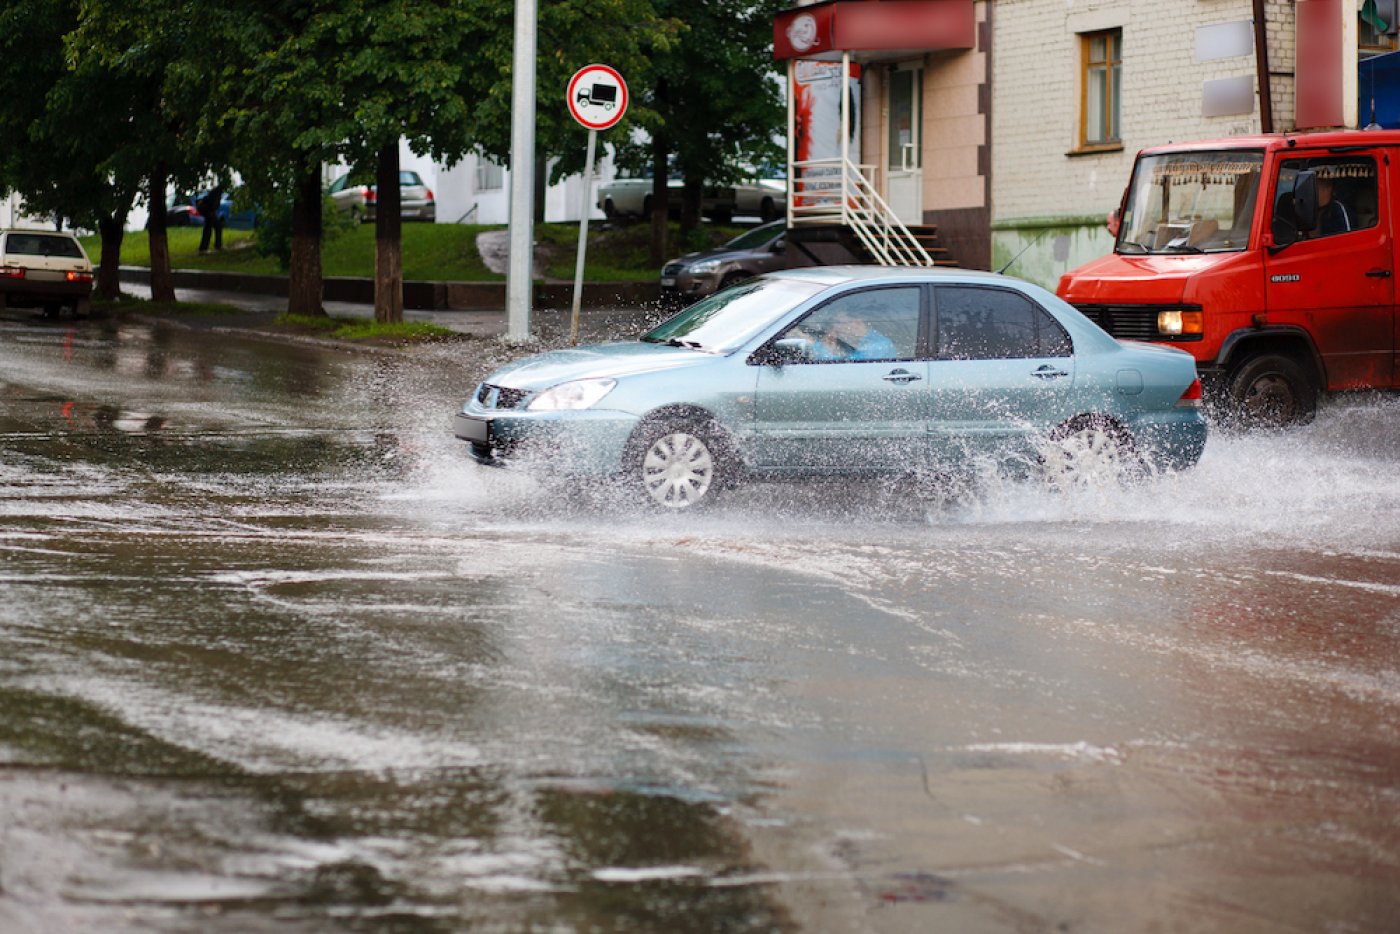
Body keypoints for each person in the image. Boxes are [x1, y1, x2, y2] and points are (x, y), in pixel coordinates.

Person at [810, 310, 898, 361]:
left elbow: (842, 367)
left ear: (857, 322)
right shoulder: (857, 342)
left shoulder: (878, 345)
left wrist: (820, 347)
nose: (836, 328)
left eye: (840, 323)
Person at [197, 184, 225, 252]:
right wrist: (211, 213)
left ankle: (203, 248)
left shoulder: (214, 193)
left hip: (207, 211)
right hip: (207, 210)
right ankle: (217, 246)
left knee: (208, 228)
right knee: (217, 227)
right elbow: (211, 205)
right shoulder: (216, 194)